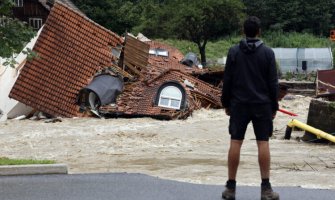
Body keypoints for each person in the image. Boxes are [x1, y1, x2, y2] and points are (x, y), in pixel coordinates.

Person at [221, 16, 279, 200]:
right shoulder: (268, 54)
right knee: (263, 143)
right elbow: (273, 84)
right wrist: (274, 106)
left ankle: (230, 188)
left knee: (235, 142)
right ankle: (266, 189)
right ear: (259, 31)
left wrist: (226, 103)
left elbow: (227, 81)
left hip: (239, 104)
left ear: (243, 31)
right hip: (262, 105)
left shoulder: (234, 52)